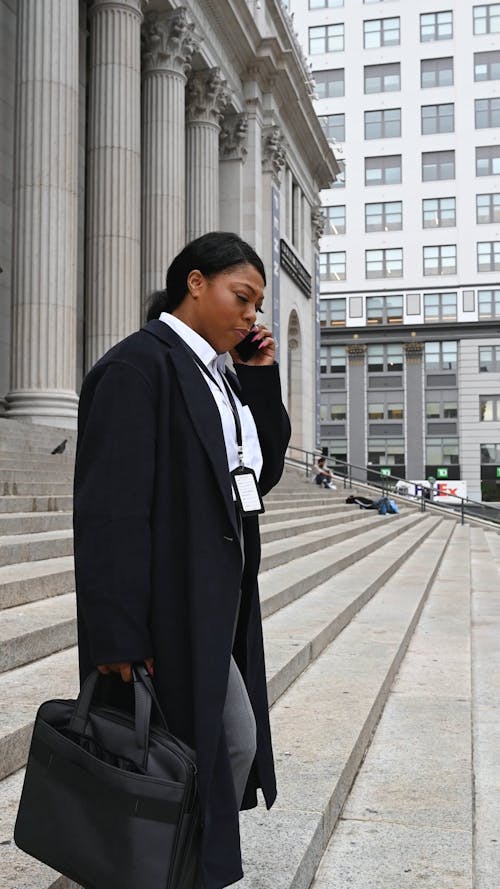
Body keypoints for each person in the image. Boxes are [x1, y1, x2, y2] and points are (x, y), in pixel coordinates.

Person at [73, 232, 291, 889]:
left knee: (219, 746)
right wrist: (117, 630)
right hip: (164, 603)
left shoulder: (218, 375)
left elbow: (264, 471)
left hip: (215, 599)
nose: (250, 315)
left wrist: (259, 378)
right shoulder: (139, 367)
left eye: (256, 305)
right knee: (211, 746)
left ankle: (175, 871)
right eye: (241, 297)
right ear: (195, 283)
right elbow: (109, 511)